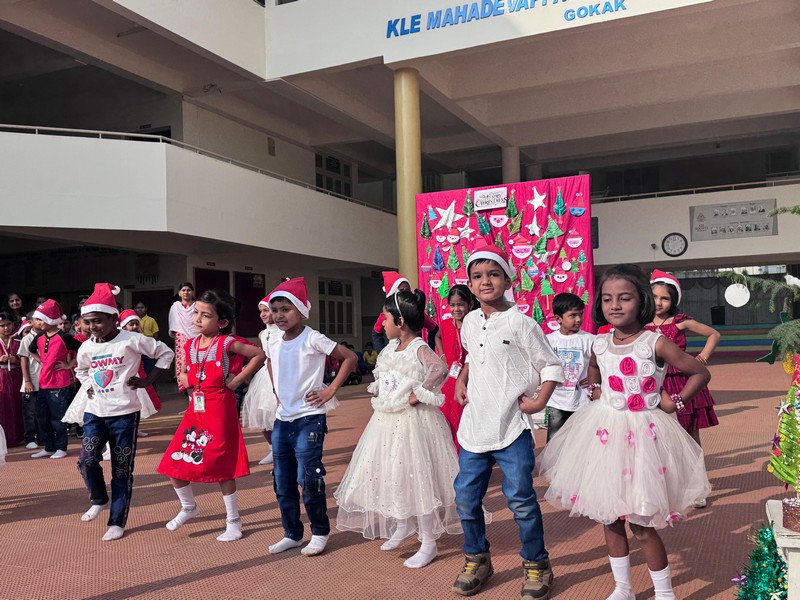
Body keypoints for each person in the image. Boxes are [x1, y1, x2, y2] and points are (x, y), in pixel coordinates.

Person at [539, 264, 712, 600]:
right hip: (604, 434)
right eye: (607, 299)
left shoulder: (656, 342)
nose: (614, 305)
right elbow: (594, 369)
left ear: (642, 300)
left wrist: (674, 401)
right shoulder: (599, 344)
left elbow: (699, 373)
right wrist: (596, 389)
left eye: (624, 298)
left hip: (644, 437)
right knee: (610, 517)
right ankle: (623, 588)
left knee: (642, 524)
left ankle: (664, 592)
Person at [451, 245, 564, 599]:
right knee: (466, 499)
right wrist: (461, 379)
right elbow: (472, 355)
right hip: (474, 428)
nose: (486, 282)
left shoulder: (520, 322)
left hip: (512, 427)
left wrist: (540, 401)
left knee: (521, 500)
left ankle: (536, 564)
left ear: (507, 279)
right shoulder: (469, 321)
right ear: (470, 284)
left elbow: (551, 365)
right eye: (478, 276)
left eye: (493, 274)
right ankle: (477, 559)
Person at [335, 289, 460, 569]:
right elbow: (383, 373)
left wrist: (419, 393)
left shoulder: (418, 346)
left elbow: (438, 369)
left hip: (413, 423)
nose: (382, 323)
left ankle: (428, 541)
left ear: (400, 321)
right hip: (386, 421)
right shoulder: (391, 347)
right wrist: (381, 388)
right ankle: (402, 525)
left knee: (417, 478)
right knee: (393, 474)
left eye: (386, 317)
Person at [157, 289, 265, 542]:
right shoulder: (192, 343)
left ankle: (233, 521)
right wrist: (185, 378)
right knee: (175, 461)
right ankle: (188, 507)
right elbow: (186, 370)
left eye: (205, 316)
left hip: (220, 409)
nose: (197, 319)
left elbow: (258, 354)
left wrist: (237, 381)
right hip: (196, 409)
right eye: (196, 313)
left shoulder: (227, 343)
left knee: (222, 466)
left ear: (222, 322)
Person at [74, 284, 175, 541]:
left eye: (97, 321)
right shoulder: (86, 347)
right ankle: (98, 498)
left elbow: (166, 352)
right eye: (88, 322)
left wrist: (147, 380)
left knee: (121, 470)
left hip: (125, 413)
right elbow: (81, 370)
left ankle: (116, 521)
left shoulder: (131, 340)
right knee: (86, 460)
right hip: (95, 412)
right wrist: (88, 387)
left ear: (113, 318)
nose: (92, 326)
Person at [265, 277, 357, 557]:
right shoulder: (272, 339)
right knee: (282, 480)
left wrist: (330, 390)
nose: (279, 315)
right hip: (283, 419)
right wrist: (277, 392)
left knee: (310, 477)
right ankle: (292, 533)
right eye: (275, 310)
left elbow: (350, 358)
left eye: (286, 309)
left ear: (301, 311)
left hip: (310, 418)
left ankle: (319, 531)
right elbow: (270, 361)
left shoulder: (312, 338)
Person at [645, 270, 719, 508]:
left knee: (690, 438)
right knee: (657, 439)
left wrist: (703, 357)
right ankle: (666, 487)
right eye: (654, 297)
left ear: (673, 300)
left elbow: (713, 334)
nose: (659, 302)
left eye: (664, 298)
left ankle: (698, 489)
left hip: (682, 383)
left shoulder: (680, 321)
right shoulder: (640, 324)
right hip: (653, 385)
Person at [28, 299, 81, 459]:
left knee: (58, 416)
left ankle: (61, 447)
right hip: (43, 382)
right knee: (42, 416)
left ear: (50, 320)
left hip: (59, 383)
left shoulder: (64, 337)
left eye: (41, 319)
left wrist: (69, 364)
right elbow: (31, 350)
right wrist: (41, 360)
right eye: (37, 319)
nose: (38, 322)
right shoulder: (39, 337)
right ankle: (49, 446)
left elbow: (82, 349)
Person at [545, 293, 596, 442]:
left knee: (581, 443)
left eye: (581, 314)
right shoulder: (548, 341)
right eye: (573, 315)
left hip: (582, 402)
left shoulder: (590, 340)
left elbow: (601, 364)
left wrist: (594, 378)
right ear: (558, 319)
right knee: (555, 443)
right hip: (556, 402)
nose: (579, 319)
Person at [434, 284, 478, 451]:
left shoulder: (474, 325)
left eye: (460, 304)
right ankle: (451, 454)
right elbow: (437, 336)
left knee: (466, 418)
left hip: (470, 379)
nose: (456, 309)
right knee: (448, 419)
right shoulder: (445, 324)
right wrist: (443, 355)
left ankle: (466, 454)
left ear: (470, 305)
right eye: (452, 305)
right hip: (450, 380)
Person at [240, 297, 279, 465]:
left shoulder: (284, 332)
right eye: (261, 311)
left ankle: (283, 452)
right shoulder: (262, 334)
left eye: (266, 310)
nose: (263, 314)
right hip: (265, 377)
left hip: (281, 375)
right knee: (263, 415)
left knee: (279, 417)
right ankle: (272, 449)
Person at [372, 272, 438, 352]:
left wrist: (430, 348)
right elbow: (376, 333)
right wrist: (381, 351)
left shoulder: (416, 312)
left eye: (407, 289)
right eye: (401, 290)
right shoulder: (385, 315)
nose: (405, 293)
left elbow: (434, 328)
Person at [19, 316, 44, 449]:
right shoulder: (27, 338)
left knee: (42, 412)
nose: (41, 322)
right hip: (31, 382)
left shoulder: (47, 337)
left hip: (45, 381)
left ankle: (42, 438)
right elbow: (23, 360)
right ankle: (30, 438)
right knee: (30, 413)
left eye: (43, 319)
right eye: (38, 319)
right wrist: (27, 381)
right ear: (31, 322)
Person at [168, 282, 197, 392]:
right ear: (179, 293)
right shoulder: (175, 307)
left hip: (196, 337)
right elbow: (173, 323)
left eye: (189, 290)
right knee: (183, 363)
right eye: (183, 290)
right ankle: (185, 386)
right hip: (181, 338)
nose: (186, 292)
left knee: (195, 362)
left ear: (193, 292)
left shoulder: (197, 306)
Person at [0, 312, 24, 447]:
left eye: (8, 324)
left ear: (13, 324)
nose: (5, 328)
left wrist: (17, 360)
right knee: (3, 405)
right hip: (1, 376)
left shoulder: (18, 342)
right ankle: (4, 439)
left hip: (16, 375)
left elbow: (28, 361)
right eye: (2, 325)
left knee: (17, 404)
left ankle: (18, 436)